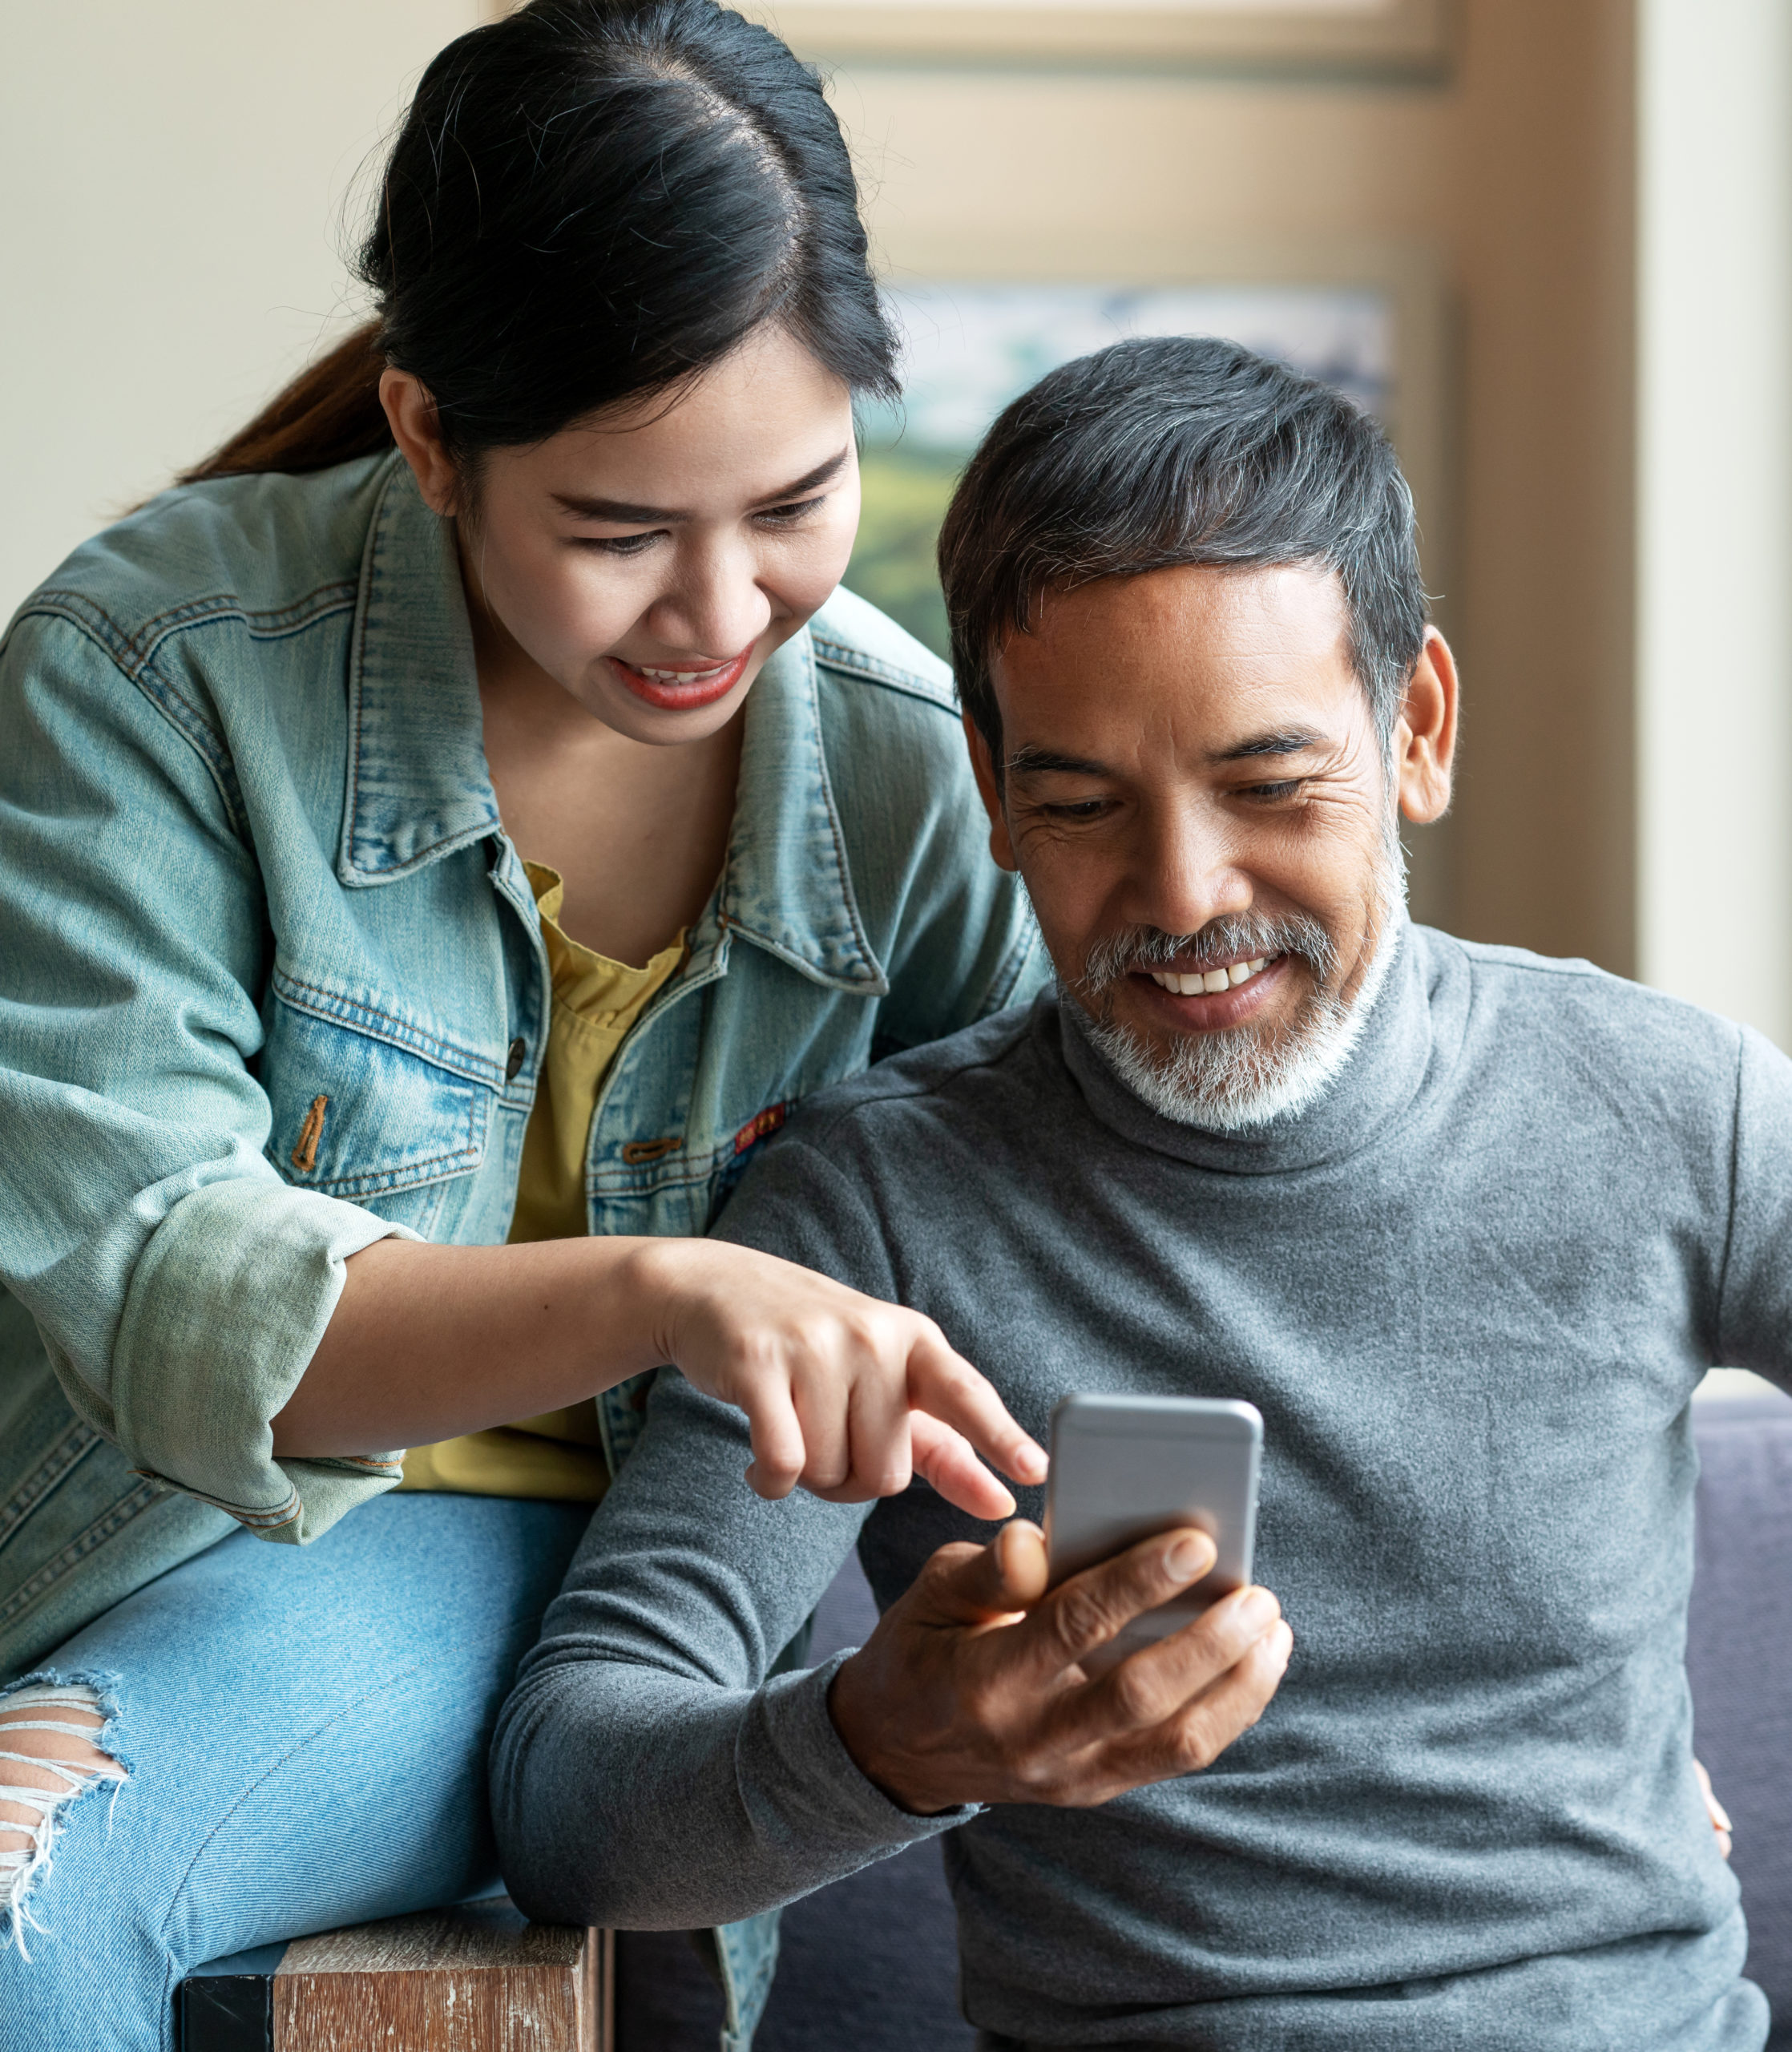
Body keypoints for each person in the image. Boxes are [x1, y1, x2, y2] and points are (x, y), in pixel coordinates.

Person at [490, 336, 1779, 2051]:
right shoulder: (878, 1208)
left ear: (1413, 728)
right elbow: (566, 1790)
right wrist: (888, 1742)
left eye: (1264, 784)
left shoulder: (1670, 1107)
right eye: (1080, 802)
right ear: (992, 796)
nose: (1180, 895)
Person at [0, 2, 1050, 2042]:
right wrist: (667, 1290)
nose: (724, 612)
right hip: (152, 1521)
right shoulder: (154, 667)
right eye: (619, 528)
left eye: (797, 502)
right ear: (425, 437)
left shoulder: (906, 771)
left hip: (578, 1590)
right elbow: (159, 1287)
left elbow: (1094, 1248)